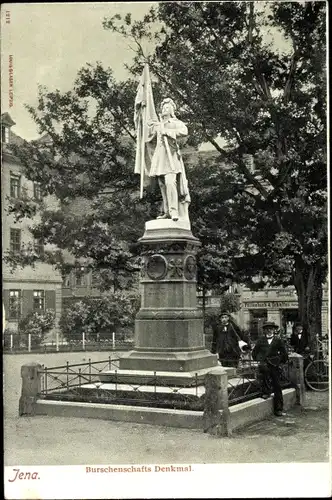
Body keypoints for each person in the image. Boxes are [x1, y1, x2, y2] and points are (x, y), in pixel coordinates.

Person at [147, 98, 191, 222]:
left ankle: (174, 210)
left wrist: (168, 132)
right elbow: (149, 132)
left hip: (171, 156)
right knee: (162, 184)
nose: (164, 109)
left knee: (170, 182)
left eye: (167, 107)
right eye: (163, 108)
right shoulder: (158, 124)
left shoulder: (175, 122)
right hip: (160, 156)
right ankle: (166, 211)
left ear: (172, 110)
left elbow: (184, 131)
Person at [252, 321, 288, 417]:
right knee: (264, 376)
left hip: (275, 365)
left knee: (277, 386)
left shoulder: (278, 340)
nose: (269, 330)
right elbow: (255, 353)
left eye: (271, 328)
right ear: (264, 330)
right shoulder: (260, 340)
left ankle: (279, 409)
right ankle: (266, 392)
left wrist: (280, 362)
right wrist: (260, 359)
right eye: (267, 329)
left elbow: (284, 353)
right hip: (264, 364)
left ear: (274, 330)